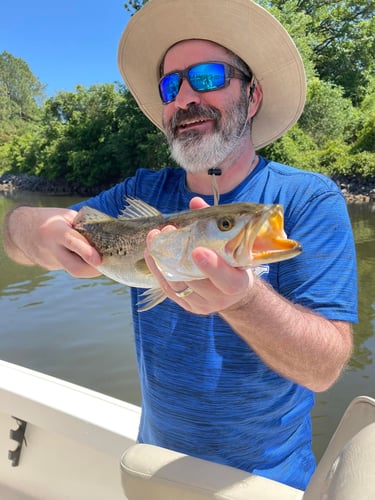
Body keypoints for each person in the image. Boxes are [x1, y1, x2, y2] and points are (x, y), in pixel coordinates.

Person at [3, 0, 357, 491]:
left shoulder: (306, 200)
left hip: (263, 482)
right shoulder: (139, 194)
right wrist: (35, 231)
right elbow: (15, 236)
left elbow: (325, 367)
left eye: (208, 76)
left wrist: (244, 301)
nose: (185, 96)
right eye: (171, 85)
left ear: (252, 96)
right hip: (152, 465)